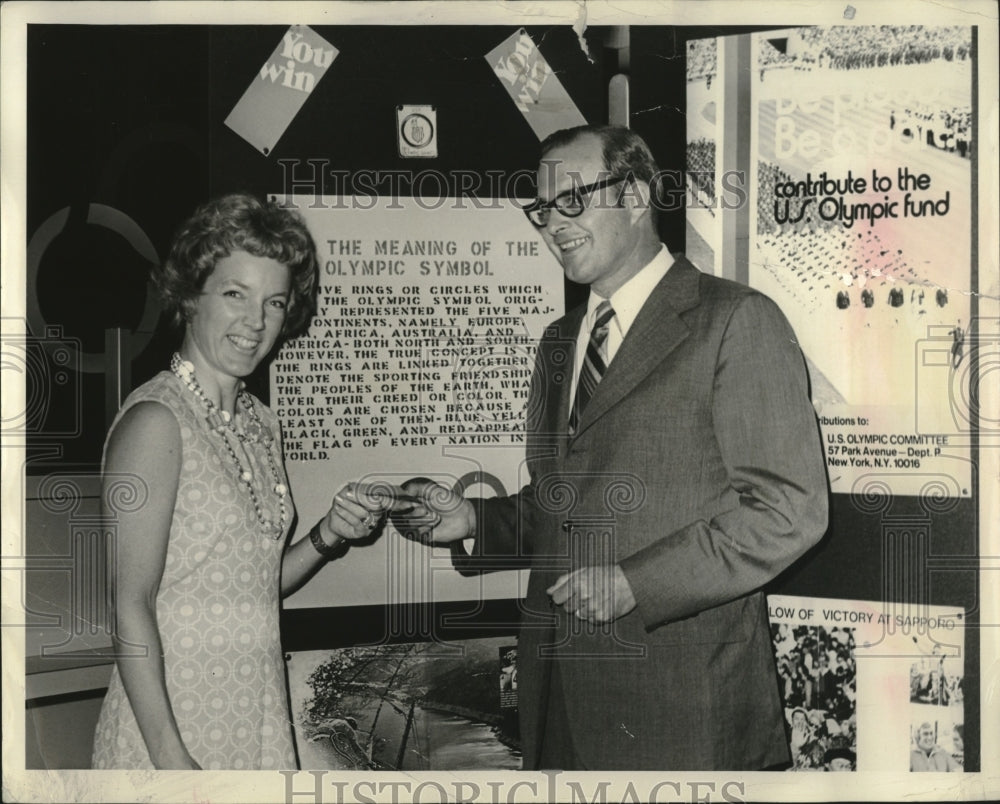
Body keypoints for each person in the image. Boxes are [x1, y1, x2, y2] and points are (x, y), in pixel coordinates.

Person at [392, 125, 828, 769]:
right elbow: (564, 505)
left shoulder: (735, 320)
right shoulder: (558, 343)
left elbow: (788, 512)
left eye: (572, 201)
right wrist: (472, 521)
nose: (552, 225)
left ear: (634, 195)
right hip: (559, 700)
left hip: (685, 710)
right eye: (542, 209)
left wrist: (637, 583)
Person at [91, 193, 400, 770]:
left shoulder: (260, 423)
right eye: (235, 294)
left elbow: (255, 589)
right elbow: (129, 605)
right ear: (190, 295)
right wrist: (169, 756)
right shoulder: (156, 422)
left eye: (274, 302)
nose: (256, 322)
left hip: (253, 716)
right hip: (173, 727)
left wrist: (329, 533)